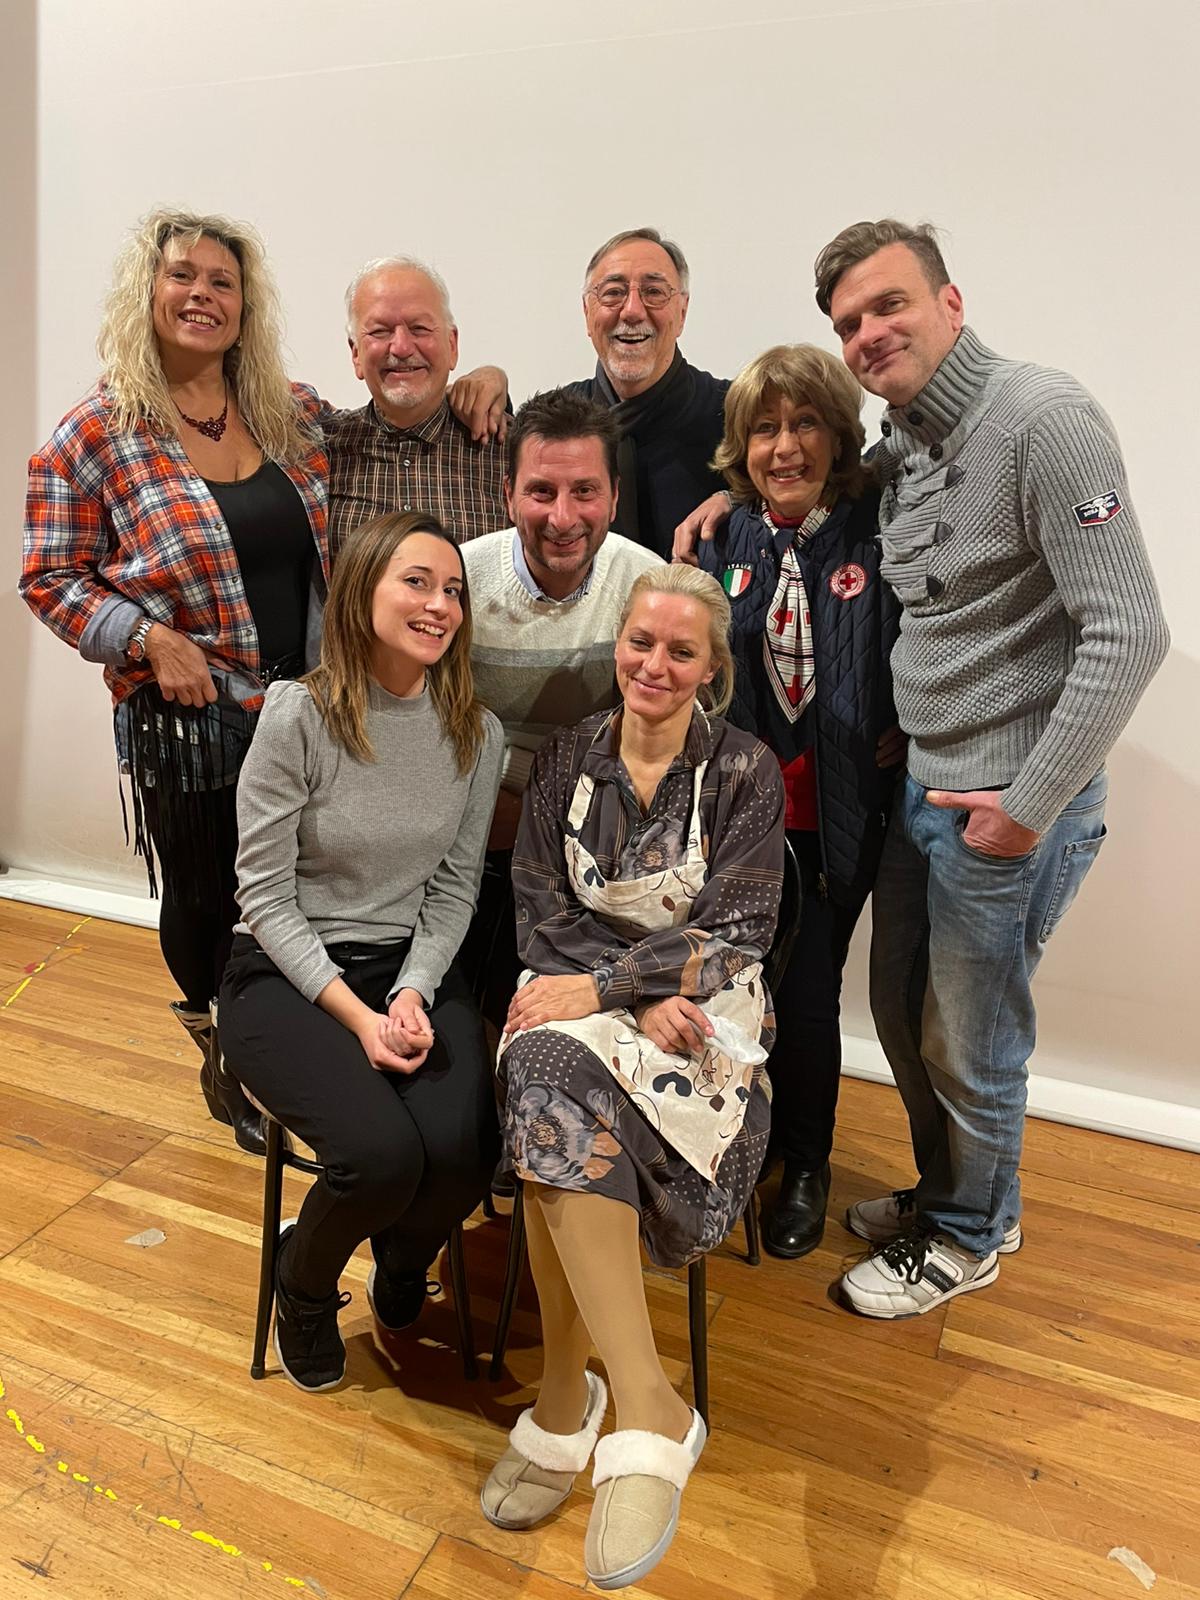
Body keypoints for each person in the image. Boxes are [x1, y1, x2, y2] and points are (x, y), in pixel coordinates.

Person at [807, 219, 1169, 1316]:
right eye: (849, 323)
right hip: (925, 786)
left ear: (950, 302)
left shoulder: (1043, 420)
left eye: (889, 304)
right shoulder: (906, 444)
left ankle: (968, 1235)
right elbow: (816, 483)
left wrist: (1028, 805)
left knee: (974, 1037)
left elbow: (1130, 631)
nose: (870, 334)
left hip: (1006, 806)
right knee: (903, 1007)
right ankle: (958, 1192)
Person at [479, 565, 784, 1591]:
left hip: (703, 1017)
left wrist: (626, 988)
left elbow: (739, 929)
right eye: (641, 643)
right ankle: (645, 1401)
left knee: (546, 1105)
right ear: (619, 644)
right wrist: (614, 994)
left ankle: (568, 1400)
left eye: (681, 651)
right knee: (545, 1068)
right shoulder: (567, 756)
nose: (655, 665)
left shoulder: (744, 770)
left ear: (713, 666)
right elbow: (538, 907)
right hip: (577, 993)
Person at [21, 206, 330, 1154]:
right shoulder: (96, 432)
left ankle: (290, 1043)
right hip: (189, 717)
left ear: (246, 305)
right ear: (146, 293)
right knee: (207, 893)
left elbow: (401, 420)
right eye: (182, 276)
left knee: (294, 887)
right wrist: (147, 637)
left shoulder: (290, 409)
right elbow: (48, 576)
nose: (202, 294)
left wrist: (480, 380)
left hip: (304, 706)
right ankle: (227, 1054)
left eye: (222, 281)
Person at [219, 512, 503, 1393]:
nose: (440, 604)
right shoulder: (299, 715)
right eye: (416, 581)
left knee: (465, 1153)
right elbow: (264, 896)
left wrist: (413, 992)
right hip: (285, 972)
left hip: (408, 963)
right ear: (361, 589)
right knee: (381, 1159)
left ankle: (402, 1257)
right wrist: (359, 1017)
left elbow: (453, 890)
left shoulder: (476, 733)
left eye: (452, 589)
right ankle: (302, 1283)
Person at [697, 344, 902, 1259]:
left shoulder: (877, 527)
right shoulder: (721, 538)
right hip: (742, 824)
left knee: (812, 995)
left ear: (838, 435)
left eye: (806, 423)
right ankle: (758, 1136)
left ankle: (809, 1163)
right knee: (747, 987)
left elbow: (922, 641)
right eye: (765, 428)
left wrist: (908, 727)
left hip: (840, 819)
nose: (785, 446)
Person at [460, 388, 662, 1025]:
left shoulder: (648, 587)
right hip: (475, 841)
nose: (563, 516)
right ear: (508, 495)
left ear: (615, 498)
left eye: (585, 491)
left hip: (595, 848)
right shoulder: (459, 582)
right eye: (541, 491)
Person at [324, 256, 508, 553]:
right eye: (380, 331)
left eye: (419, 328)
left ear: (452, 345)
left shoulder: (508, 450)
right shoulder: (321, 452)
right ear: (356, 354)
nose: (401, 347)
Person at [566, 228, 729, 560]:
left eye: (654, 292)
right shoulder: (554, 424)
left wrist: (735, 500)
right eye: (613, 293)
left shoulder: (736, 415)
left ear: (682, 312)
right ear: (587, 312)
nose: (632, 311)